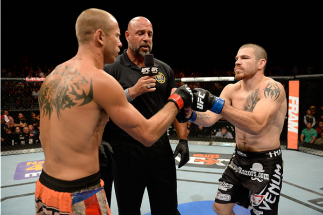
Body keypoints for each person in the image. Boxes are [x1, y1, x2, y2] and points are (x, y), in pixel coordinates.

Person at [35, 8, 192, 215]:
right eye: (117, 36)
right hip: (80, 191)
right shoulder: (102, 80)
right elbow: (147, 134)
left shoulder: (53, 75)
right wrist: (178, 99)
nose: (119, 43)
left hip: (45, 189)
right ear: (100, 36)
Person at [180, 44, 287, 215]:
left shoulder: (272, 89)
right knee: (220, 208)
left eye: (244, 58)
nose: (237, 62)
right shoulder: (231, 89)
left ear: (261, 63)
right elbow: (210, 118)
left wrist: (217, 104)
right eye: (236, 58)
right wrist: (191, 115)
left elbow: (256, 125)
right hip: (239, 159)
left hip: (266, 161)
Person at [102, 16, 189, 215]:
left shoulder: (164, 69)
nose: (146, 38)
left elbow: (174, 105)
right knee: (129, 209)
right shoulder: (111, 68)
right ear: (127, 36)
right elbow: (100, 110)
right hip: (126, 150)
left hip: (160, 148)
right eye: (140, 33)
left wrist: (183, 139)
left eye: (149, 34)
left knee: (167, 208)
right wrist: (133, 91)